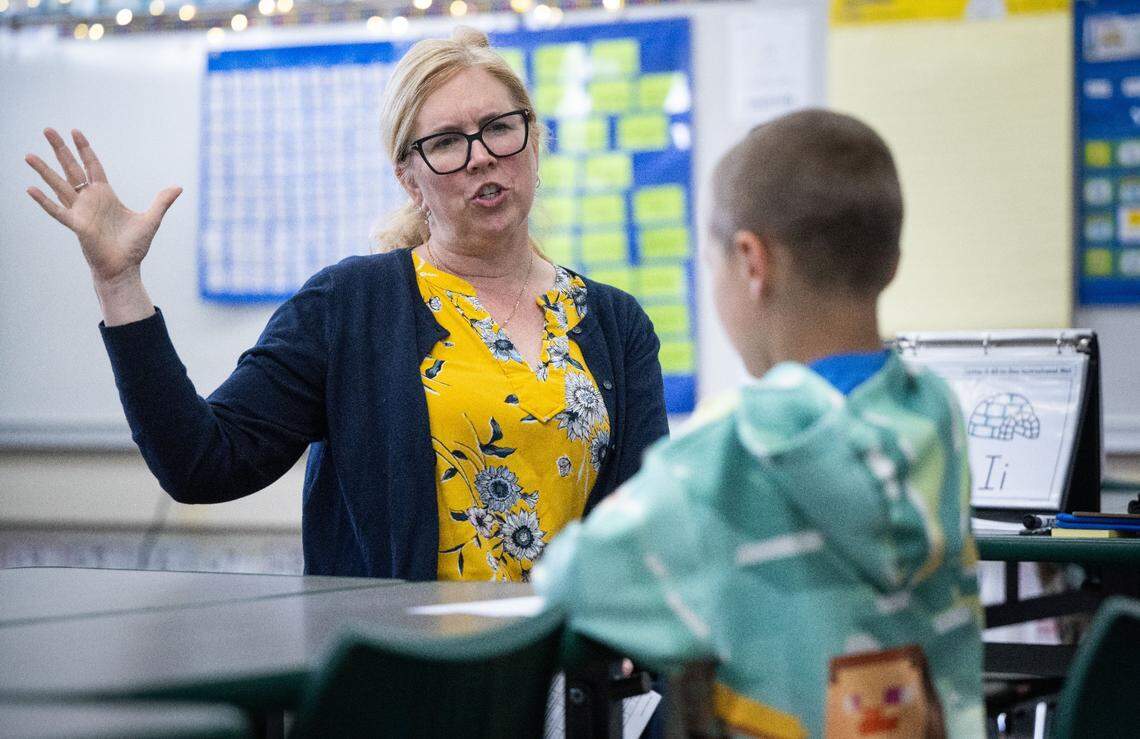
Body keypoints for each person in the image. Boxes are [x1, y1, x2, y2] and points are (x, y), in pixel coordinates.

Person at [24, 27, 668, 582]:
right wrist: (119, 283)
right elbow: (201, 464)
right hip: (407, 682)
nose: (480, 157)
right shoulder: (349, 307)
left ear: (534, 142)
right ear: (408, 177)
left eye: (500, 128)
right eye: (445, 142)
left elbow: (648, 525)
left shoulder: (614, 323)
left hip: (567, 684)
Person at [533, 109, 984, 737]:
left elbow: (568, 583)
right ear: (891, 260)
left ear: (751, 262)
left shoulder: (726, 455)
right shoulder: (937, 415)